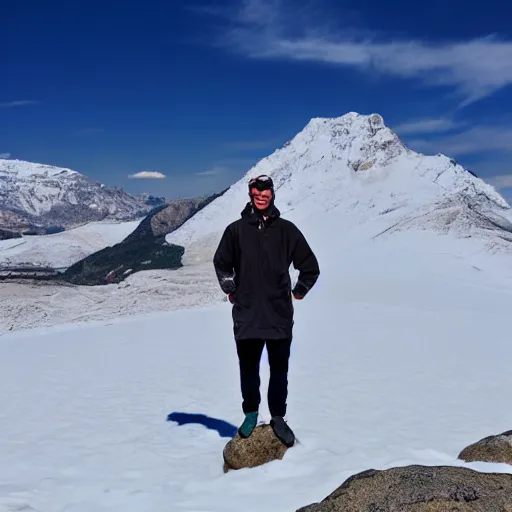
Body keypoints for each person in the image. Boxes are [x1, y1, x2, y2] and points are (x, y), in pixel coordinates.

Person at [213, 174, 320, 447]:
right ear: (250, 195)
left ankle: (278, 417)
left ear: (272, 195)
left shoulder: (287, 230)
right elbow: (222, 263)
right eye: (256, 192)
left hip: (278, 315)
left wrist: (300, 290)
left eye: (266, 192)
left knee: (279, 370)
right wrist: (230, 288)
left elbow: (309, 266)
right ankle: (250, 413)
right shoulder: (235, 230)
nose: (261, 197)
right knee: (248, 369)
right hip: (247, 315)